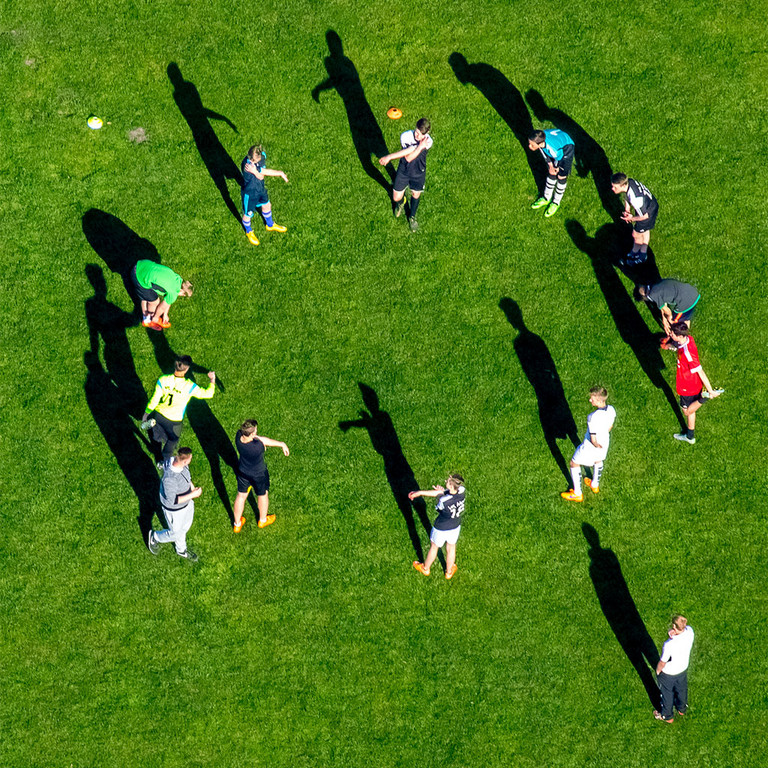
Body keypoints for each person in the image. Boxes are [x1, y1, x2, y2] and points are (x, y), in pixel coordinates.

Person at [142, 355, 216, 460]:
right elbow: (208, 394)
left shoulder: (163, 380)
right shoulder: (189, 386)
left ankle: (157, 454)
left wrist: (146, 414)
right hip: (174, 421)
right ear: (187, 369)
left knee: (157, 437)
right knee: (173, 440)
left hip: (159, 415)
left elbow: (155, 399)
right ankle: (164, 461)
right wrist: (212, 380)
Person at [665, 322, 722, 444]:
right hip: (695, 384)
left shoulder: (687, 353)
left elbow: (700, 371)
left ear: (680, 336)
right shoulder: (688, 339)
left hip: (687, 386)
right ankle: (690, 437)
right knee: (692, 410)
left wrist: (710, 390)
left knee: (687, 411)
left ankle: (704, 397)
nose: (670, 334)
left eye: (673, 334)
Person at [232, 419, 290, 532]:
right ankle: (263, 520)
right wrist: (281, 444)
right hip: (258, 474)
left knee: (241, 496)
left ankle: (237, 524)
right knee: (262, 495)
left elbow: (260, 440)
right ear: (252, 434)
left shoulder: (238, 436)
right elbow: (263, 442)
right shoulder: (257, 447)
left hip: (243, 472)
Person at [561, 387, 616, 502]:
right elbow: (610, 427)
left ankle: (577, 494)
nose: (590, 401)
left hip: (591, 446)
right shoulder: (611, 410)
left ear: (599, 400)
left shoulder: (592, 417)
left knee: (574, 463)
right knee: (598, 460)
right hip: (605, 442)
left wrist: (595, 445)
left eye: (592, 399)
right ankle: (595, 485)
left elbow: (593, 439)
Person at [147, 447, 202, 562]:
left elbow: (187, 478)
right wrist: (193, 495)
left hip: (187, 503)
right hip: (175, 510)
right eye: (190, 459)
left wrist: (192, 488)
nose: (191, 461)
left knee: (185, 527)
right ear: (185, 461)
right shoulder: (170, 479)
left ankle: (181, 549)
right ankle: (155, 537)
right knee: (175, 533)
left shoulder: (178, 462)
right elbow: (173, 500)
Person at [379, 118, 432, 232]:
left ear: (427, 133)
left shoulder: (428, 141)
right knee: (396, 197)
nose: (417, 136)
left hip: (418, 172)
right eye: (416, 132)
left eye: (420, 135)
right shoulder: (405, 136)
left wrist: (421, 146)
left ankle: (412, 217)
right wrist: (389, 157)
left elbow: (411, 156)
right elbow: (407, 157)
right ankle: (401, 202)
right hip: (404, 170)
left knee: (415, 194)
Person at [410, 474, 465, 579]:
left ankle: (425, 568)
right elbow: (446, 494)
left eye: (448, 481)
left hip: (441, 528)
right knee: (451, 547)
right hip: (455, 526)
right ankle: (449, 572)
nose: (446, 480)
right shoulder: (462, 490)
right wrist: (442, 492)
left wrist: (440, 493)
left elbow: (439, 508)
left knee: (434, 547)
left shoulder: (444, 500)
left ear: (451, 486)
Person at [240, 144, 288, 245]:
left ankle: (270, 225)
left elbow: (261, 172)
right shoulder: (247, 166)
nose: (253, 162)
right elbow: (261, 176)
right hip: (250, 193)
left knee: (267, 205)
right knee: (248, 214)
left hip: (260, 189)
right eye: (253, 160)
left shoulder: (262, 157)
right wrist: (280, 173)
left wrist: (257, 171)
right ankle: (249, 231)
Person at [611, 173, 659, 265]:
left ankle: (637, 255)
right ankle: (642, 253)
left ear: (623, 185)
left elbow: (645, 216)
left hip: (647, 213)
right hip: (650, 204)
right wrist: (627, 209)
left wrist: (631, 218)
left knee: (636, 235)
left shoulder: (636, 200)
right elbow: (626, 195)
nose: (612, 189)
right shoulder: (629, 182)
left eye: (615, 187)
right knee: (644, 230)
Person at [131, 259, 193, 330]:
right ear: (183, 293)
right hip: (138, 277)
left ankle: (146, 317)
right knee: (154, 302)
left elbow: (168, 300)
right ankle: (149, 320)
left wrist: (165, 314)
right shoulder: (173, 293)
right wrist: (156, 317)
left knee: (146, 295)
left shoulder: (178, 279)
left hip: (141, 265)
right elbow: (162, 307)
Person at [654, 615, 694, 723]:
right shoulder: (690, 632)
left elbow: (663, 662)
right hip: (683, 669)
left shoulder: (669, 645)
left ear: (674, 626)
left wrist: (658, 671)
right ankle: (682, 708)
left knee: (667, 694)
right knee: (681, 689)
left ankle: (667, 716)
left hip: (669, 673)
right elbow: (683, 633)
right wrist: (675, 633)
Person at [528, 128, 575, 217]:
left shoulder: (553, 149)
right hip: (558, 143)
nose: (529, 146)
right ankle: (546, 198)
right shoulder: (541, 138)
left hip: (566, 150)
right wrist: (550, 164)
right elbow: (543, 151)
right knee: (551, 171)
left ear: (540, 143)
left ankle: (556, 203)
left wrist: (556, 167)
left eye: (532, 145)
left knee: (561, 176)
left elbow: (559, 157)